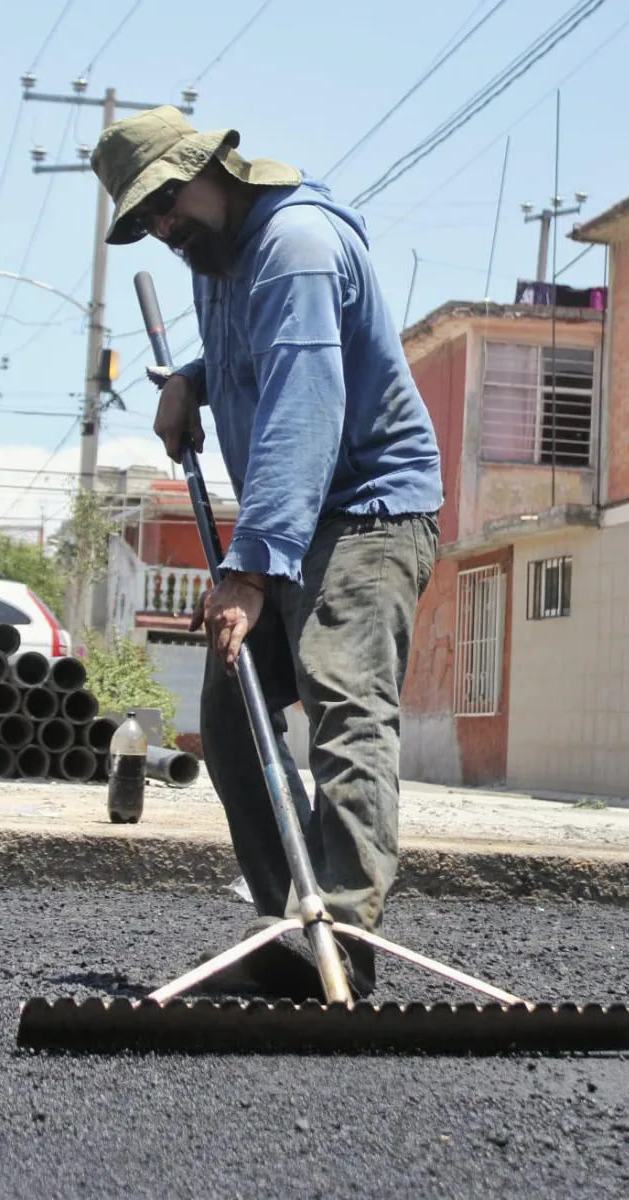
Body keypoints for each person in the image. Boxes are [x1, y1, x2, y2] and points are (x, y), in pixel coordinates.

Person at [92, 106, 442, 1000]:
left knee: (343, 706)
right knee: (232, 711)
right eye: (148, 220)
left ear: (217, 169)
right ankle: (293, 921)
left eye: (169, 201)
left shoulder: (296, 244)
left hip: (365, 512)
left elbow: (305, 404)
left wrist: (246, 570)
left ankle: (345, 934)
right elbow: (252, 348)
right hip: (294, 518)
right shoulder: (222, 257)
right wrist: (192, 379)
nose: (165, 227)